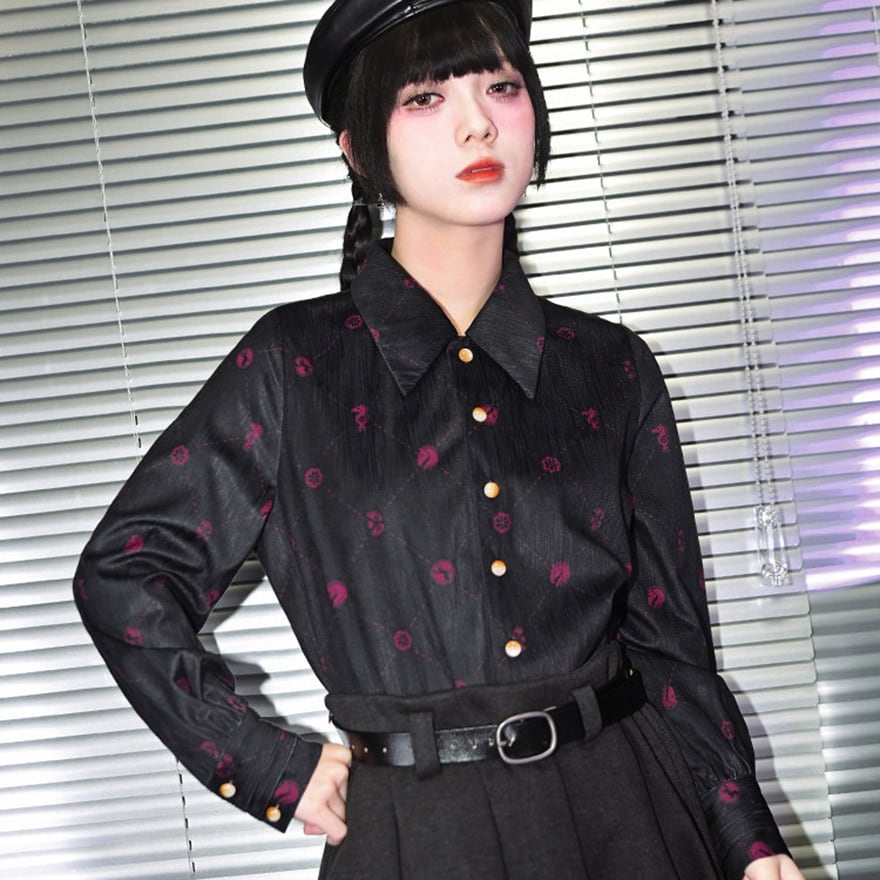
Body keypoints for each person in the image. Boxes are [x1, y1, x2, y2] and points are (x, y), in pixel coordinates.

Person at [74, 1, 808, 878]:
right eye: (425, 98)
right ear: (359, 150)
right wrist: (262, 763)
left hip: (631, 814)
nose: (476, 124)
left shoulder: (612, 368)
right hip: (415, 837)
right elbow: (126, 572)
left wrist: (750, 843)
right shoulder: (294, 366)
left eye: (501, 86)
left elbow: (671, 645)